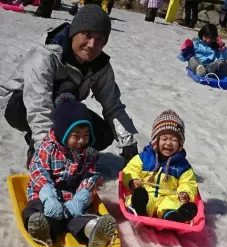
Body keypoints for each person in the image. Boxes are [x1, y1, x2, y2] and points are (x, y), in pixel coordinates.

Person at [0, 4, 138, 169]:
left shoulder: (101, 66)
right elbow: (38, 106)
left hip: (61, 108)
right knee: (40, 109)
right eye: (86, 35)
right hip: (19, 105)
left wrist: (129, 145)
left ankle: (68, 151)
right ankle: (38, 143)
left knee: (103, 134)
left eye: (100, 39)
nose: (92, 45)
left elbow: (113, 105)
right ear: (74, 33)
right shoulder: (46, 56)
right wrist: (46, 152)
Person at [23, 93, 117, 247]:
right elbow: (38, 170)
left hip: (71, 198)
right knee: (37, 208)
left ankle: (92, 229)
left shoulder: (87, 154)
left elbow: (90, 177)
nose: (82, 141)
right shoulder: (48, 148)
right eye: (76, 136)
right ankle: (41, 229)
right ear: (62, 133)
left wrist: (81, 197)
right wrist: (48, 195)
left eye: (86, 135)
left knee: (84, 214)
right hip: (45, 194)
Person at [122, 109, 198, 223]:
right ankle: (140, 208)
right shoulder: (144, 158)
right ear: (156, 141)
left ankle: (174, 216)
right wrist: (133, 181)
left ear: (180, 144)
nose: (168, 143)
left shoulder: (183, 166)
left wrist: (185, 193)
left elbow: (188, 182)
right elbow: (130, 169)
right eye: (164, 139)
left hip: (169, 196)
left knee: (171, 204)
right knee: (141, 198)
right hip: (146, 193)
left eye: (174, 140)